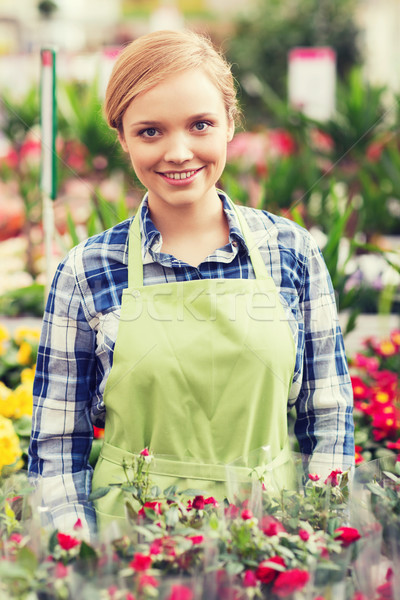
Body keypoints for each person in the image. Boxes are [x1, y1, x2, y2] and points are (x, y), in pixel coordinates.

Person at [28, 29, 354, 537]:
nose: (178, 152)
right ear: (122, 138)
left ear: (230, 125)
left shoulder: (291, 253)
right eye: (150, 131)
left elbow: (328, 419)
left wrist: (316, 539)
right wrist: (82, 560)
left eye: (200, 124)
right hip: (130, 556)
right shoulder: (86, 271)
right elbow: (55, 446)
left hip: (270, 549)